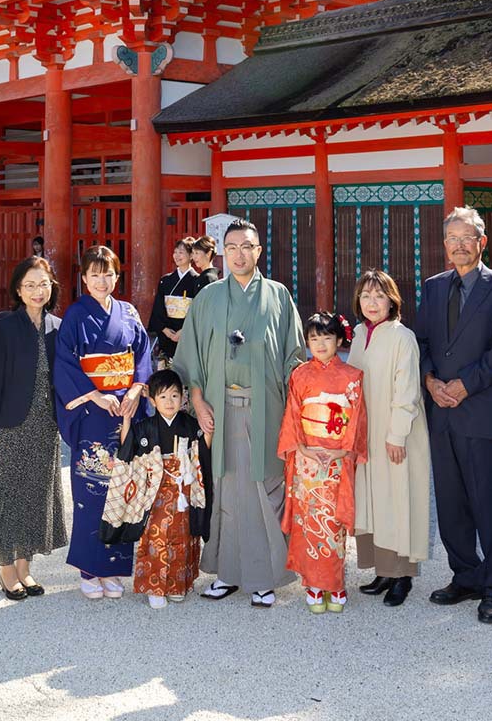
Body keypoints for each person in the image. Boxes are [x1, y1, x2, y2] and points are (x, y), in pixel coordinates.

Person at [174, 218, 304, 608]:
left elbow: (293, 356)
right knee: (225, 490)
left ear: (258, 251)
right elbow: (192, 357)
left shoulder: (279, 296)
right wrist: (197, 403)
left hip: (265, 408)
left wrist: (298, 411)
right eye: (231, 247)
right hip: (218, 408)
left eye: (247, 246)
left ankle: (264, 575)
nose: (239, 254)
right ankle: (228, 572)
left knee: (263, 489)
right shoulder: (209, 297)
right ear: (222, 251)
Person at [416, 206, 492, 625]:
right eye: (452, 239)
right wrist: (429, 381)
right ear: (445, 245)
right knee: (450, 501)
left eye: (468, 238)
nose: (460, 245)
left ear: (482, 242)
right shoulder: (434, 286)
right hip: (440, 412)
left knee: (486, 501)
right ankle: (465, 574)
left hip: (479, 410)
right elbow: (421, 340)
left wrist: (463, 384)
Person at [54, 245, 152, 600]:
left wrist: (137, 389)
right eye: (94, 274)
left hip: (125, 410)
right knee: (92, 489)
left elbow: (142, 354)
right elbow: (65, 364)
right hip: (94, 412)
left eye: (108, 273)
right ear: (83, 279)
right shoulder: (76, 315)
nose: (102, 280)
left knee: (123, 488)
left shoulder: (127, 312)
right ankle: (89, 567)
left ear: (117, 275)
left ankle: (113, 566)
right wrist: (95, 395)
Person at [0, 257, 67, 599]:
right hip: (11, 423)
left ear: (52, 287)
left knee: (36, 497)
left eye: (43, 284)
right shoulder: (6, 325)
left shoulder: (57, 325)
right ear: (18, 290)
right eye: (30, 285)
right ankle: (7, 572)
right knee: (6, 497)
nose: (38, 291)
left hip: (45, 425)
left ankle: (26, 568)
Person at [347, 270, 431, 607]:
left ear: (392, 300)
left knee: (398, 499)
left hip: (397, 431)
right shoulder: (357, 335)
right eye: (366, 295)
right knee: (373, 500)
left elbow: (407, 390)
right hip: (366, 431)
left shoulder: (401, 336)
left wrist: (396, 434)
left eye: (379, 296)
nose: (372, 302)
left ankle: (402, 575)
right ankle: (382, 569)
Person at [278, 312, 367, 614]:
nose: (320, 344)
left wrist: (343, 451)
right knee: (308, 523)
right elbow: (292, 414)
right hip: (307, 459)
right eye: (313, 338)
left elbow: (356, 419)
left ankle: (335, 583)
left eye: (326, 337)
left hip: (336, 460)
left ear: (339, 340)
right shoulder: (300, 375)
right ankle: (314, 585)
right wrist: (302, 446)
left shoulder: (352, 376)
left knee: (332, 523)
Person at [100, 367, 211, 609]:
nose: (169, 402)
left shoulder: (190, 423)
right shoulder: (146, 426)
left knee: (184, 534)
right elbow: (128, 447)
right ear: (152, 401)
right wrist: (127, 418)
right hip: (155, 490)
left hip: (183, 489)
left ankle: (177, 584)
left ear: (183, 398)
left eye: (174, 396)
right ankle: (155, 585)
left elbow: (203, 449)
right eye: (162, 397)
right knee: (156, 535)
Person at [148, 237, 198, 362]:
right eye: (175, 252)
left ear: (191, 255)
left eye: (181, 252)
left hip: (187, 332)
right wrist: (165, 330)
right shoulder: (165, 280)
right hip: (167, 333)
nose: (176, 255)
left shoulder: (197, 280)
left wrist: (183, 331)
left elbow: (198, 311)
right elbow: (158, 308)